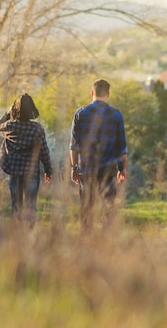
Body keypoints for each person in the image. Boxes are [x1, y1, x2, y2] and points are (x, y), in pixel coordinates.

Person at [69, 79, 127, 231]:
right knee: (109, 209)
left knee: (87, 208)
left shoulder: (80, 113)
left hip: (86, 170)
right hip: (108, 170)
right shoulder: (116, 115)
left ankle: (86, 241)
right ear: (108, 94)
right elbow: (122, 146)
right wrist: (122, 169)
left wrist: (74, 168)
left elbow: (74, 145)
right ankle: (106, 242)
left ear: (92, 92)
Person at [0, 93, 52, 228]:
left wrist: (7, 114)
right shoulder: (37, 129)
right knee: (31, 206)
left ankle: (16, 235)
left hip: (14, 171)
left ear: (15, 109)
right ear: (32, 109)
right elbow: (44, 151)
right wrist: (48, 170)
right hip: (31, 172)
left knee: (16, 206)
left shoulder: (9, 126)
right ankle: (29, 235)